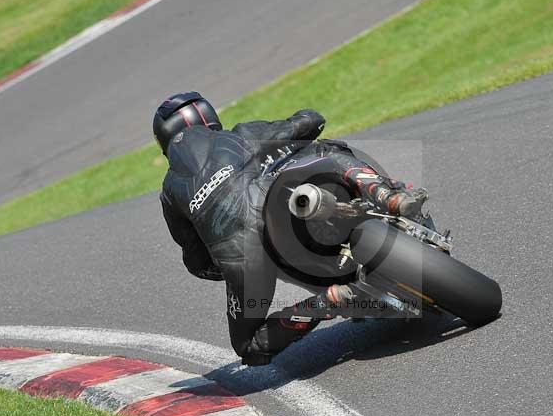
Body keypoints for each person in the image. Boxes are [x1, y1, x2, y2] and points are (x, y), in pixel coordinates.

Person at [155, 92, 424, 366]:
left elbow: (195, 260)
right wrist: (304, 119)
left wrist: (227, 267)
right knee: (327, 150)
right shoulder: (239, 135)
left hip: (242, 257)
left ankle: (326, 302)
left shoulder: (169, 192)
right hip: (273, 204)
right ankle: (387, 195)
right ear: (209, 117)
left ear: (164, 141)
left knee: (249, 346)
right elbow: (309, 121)